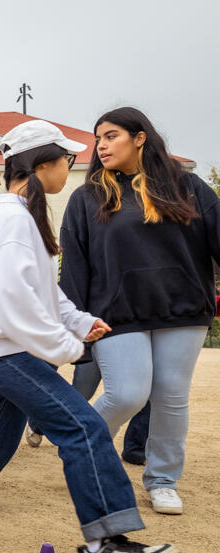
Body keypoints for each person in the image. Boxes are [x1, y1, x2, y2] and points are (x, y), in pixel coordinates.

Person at [0, 119, 179, 553]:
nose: (68, 169)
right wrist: (66, 346)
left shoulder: (19, 216)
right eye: (66, 161)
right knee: (83, 427)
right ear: (42, 164)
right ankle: (107, 544)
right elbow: (13, 302)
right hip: (3, 351)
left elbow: (41, 290)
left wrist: (78, 320)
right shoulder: (13, 220)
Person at [60, 107, 220, 515]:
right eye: (98, 139)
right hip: (115, 312)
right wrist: (73, 326)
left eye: (111, 135)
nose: (102, 145)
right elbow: (75, 265)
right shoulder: (87, 198)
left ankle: (163, 479)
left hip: (182, 310)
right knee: (127, 393)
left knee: (171, 396)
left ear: (140, 137)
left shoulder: (190, 188)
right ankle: (85, 451)